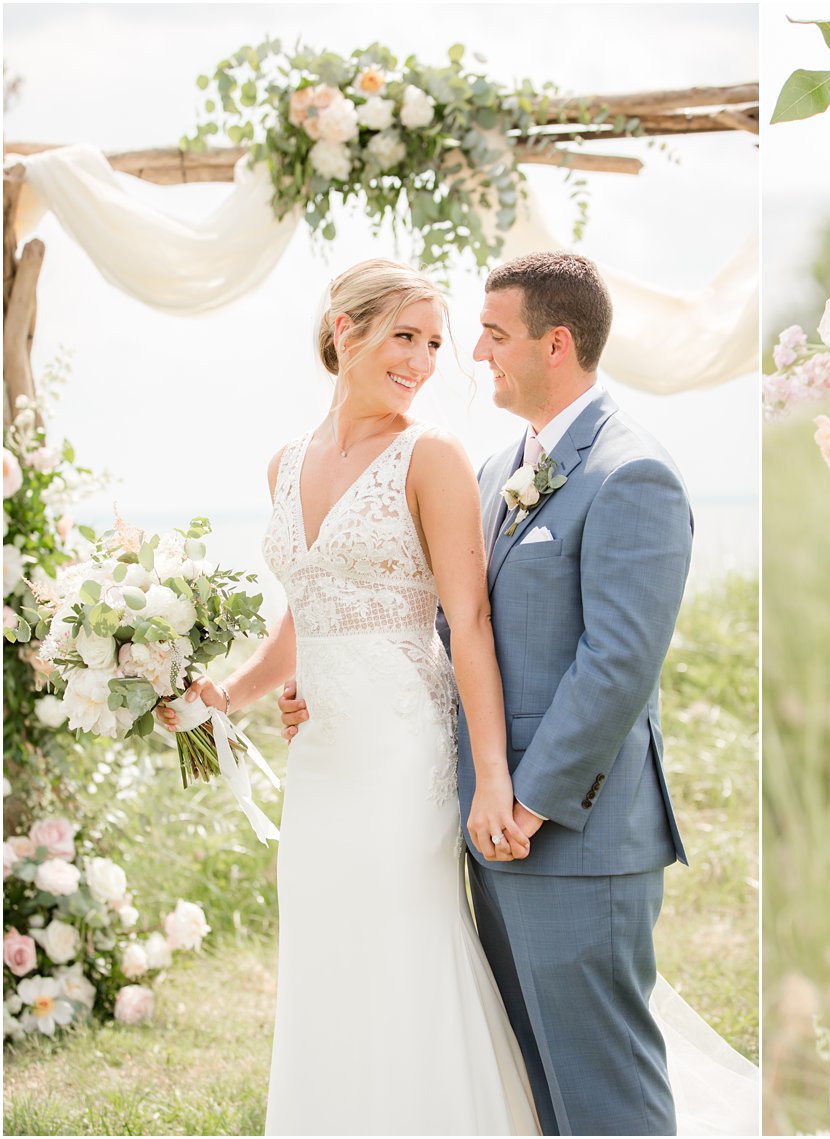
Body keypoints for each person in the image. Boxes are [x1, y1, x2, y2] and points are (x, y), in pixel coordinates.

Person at [170, 254, 756, 1135]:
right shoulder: (490, 466)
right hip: (354, 768)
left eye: (469, 337)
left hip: (510, 797)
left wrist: (509, 785)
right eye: (421, 337)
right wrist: (265, 688)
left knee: (578, 1055)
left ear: (553, 344)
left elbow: (591, 658)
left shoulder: (602, 469)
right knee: (495, 1033)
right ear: (346, 332)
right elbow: (349, 606)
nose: (453, 359)